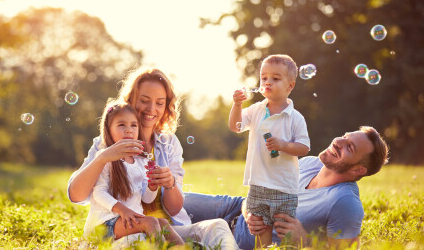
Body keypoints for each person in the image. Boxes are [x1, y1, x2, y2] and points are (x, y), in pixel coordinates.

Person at [68, 67, 239, 249]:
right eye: (144, 100)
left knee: (217, 226)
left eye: (159, 103)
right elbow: (76, 195)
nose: (151, 109)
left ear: (166, 106)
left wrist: (169, 183)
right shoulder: (108, 143)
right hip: (126, 231)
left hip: (166, 229)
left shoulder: (169, 143)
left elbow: (172, 208)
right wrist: (103, 157)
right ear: (130, 100)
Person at [183, 126, 389, 249]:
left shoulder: (345, 203)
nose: (338, 142)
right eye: (345, 136)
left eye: (349, 147)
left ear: (359, 170)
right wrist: (248, 210)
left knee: (170, 232)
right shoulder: (310, 163)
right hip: (235, 208)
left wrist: (305, 241)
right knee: (168, 199)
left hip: (241, 242)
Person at [229, 54, 310, 247]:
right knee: (260, 227)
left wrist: (283, 145)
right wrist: (237, 105)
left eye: (275, 78)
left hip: (283, 185)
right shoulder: (257, 110)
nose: (267, 82)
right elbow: (236, 126)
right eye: (264, 78)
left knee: (285, 229)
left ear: (290, 86)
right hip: (258, 183)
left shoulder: (295, 118)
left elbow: (304, 147)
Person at [85, 101, 183, 245]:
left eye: (133, 125)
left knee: (162, 223)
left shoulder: (140, 161)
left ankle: (185, 248)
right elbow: (98, 193)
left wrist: (152, 186)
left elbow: (147, 198)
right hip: (104, 224)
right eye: (121, 125)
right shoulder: (105, 157)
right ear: (108, 129)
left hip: (129, 221)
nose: (129, 130)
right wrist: (123, 210)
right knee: (150, 223)